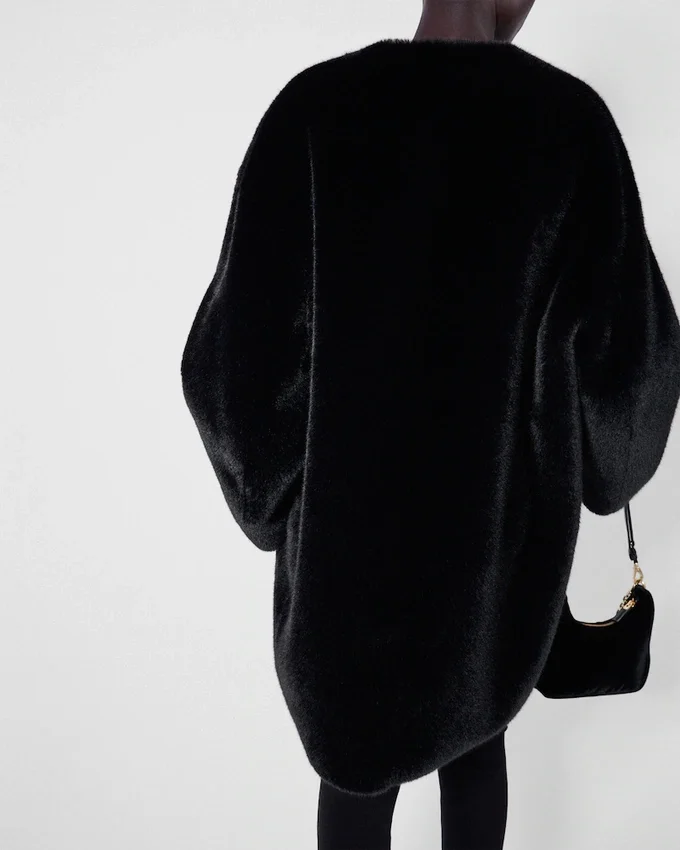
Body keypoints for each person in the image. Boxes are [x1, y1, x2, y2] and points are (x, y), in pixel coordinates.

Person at [180, 1, 680, 847]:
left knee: (353, 771)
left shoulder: (315, 112)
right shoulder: (566, 125)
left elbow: (231, 366)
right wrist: (600, 466)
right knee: (478, 739)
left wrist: (275, 499)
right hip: (493, 550)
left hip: (344, 563)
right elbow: (629, 370)